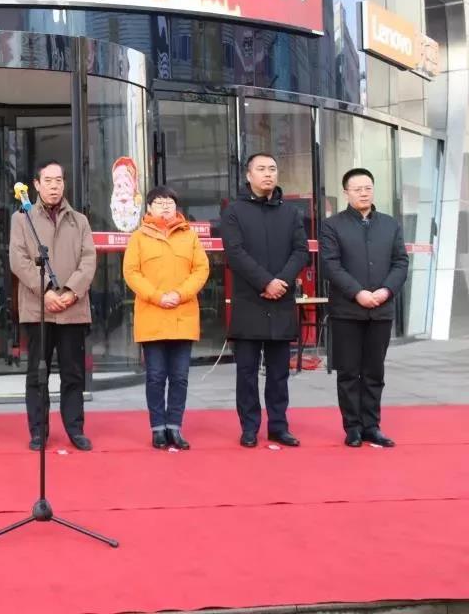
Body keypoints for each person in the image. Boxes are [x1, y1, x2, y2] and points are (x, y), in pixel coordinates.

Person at [9, 161, 97, 451]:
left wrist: (71, 291)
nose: (54, 186)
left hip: (73, 309)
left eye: (59, 180)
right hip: (39, 309)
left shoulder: (79, 221)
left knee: (74, 373)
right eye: (48, 180)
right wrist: (46, 291)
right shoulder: (22, 219)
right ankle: (38, 431)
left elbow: (88, 259)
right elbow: (18, 260)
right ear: (36, 185)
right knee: (38, 373)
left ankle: (75, 429)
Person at [222, 153, 309, 448]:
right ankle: (249, 427)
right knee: (246, 372)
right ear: (249, 176)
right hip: (250, 301)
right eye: (261, 169)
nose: (268, 174)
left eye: (272, 168)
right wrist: (265, 282)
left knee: (279, 372)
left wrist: (280, 282)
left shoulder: (291, 213)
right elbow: (235, 254)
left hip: (281, 301)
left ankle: (278, 426)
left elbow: (301, 251)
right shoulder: (234, 211)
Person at [320, 168, 407, 448]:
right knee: (348, 372)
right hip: (347, 310)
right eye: (357, 189)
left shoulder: (390, 225)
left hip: (381, 309)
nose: (363, 193)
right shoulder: (332, 226)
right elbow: (331, 265)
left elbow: (400, 262)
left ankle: (372, 426)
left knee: (374, 372)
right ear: (346, 192)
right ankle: (353, 427)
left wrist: (385, 290)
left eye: (368, 187)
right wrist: (357, 292)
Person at [123, 186, 210, 450]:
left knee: (180, 377)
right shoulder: (138, 237)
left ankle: (175, 427)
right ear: (149, 207)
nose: (165, 206)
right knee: (156, 376)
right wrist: (157, 296)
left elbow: (201, 269)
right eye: (159, 202)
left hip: (183, 316)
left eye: (170, 202)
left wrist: (179, 294)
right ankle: (157, 429)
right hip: (153, 316)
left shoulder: (189, 236)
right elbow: (131, 273)